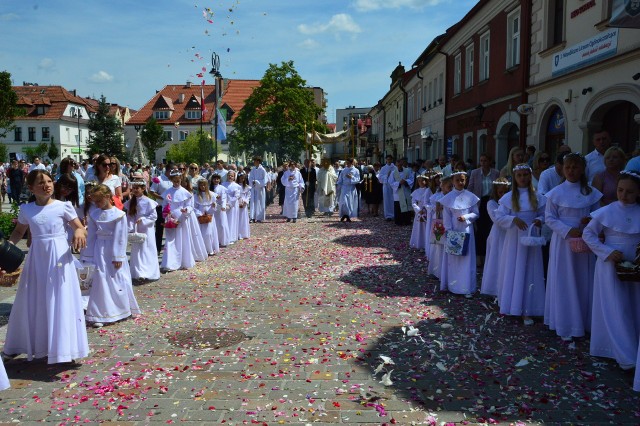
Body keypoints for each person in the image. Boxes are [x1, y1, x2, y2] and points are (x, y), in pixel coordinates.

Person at [2, 170, 89, 363]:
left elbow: (79, 226)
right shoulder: (27, 209)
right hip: (37, 259)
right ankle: (25, 344)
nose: (47, 185)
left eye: (49, 181)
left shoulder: (63, 206)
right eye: (41, 183)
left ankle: (65, 348)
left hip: (59, 257)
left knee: (60, 298)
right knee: (34, 299)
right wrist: (5, 251)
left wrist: (79, 233)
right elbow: (18, 232)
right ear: (31, 188)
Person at [583, 170, 640, 374]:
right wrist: (606, 252)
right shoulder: (607, 211)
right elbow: (588, 234)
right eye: (620, 190)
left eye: (630, 192)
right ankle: (624, 352)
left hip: (635, 265)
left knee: (633, 305)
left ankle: (632, 345)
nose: (624, 195)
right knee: (616, 306)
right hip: (610, 263)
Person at [544, 154, 602, 342]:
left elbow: (597, 215)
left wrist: (589, 222)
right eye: (568, 167)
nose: (571, 171)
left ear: (582, 169)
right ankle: (565, 323)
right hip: (563, 241)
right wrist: (568, 230)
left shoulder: (590, 192)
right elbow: (550, 218)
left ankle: (584, 322)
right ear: (562, 168)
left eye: (575, 167)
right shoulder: (556, 192)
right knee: (564, 279)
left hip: (585, 240)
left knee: (583, 279)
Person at [81, 184, 141, 328]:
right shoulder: (95, 214)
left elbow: (120, 237)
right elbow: (91, 236)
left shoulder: (119, 215)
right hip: (98, 249)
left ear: (108, 197)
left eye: (99, 200)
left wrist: (118, 256)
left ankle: (120, 309)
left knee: (116, 279)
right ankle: (100, 312)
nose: (97, 204)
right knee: (100, 279)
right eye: (95, 201)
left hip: (112, 250)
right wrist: (87, 254)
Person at [494, 164, 546, 326]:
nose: (523, 178)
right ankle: (514, 305)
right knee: (515, 270)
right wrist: (513, 219)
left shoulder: (537, 196)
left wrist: (540, 220)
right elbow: (499, 216)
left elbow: (546, 214)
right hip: (515, 239)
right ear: (515, 178)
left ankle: (530, 307)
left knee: (531, 271)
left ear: (530, 176)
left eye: (525, 175)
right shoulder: (509, 197)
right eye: (519, 175)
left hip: (531, 238)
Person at [439, 171, 479, 297]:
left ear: (466, 180)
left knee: (467, 259)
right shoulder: (448, 198)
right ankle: (453, 285)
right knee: (453, 259)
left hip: (466, 230)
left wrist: (466, 217)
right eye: (457, 180)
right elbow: (446, 217)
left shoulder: (471, 196)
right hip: (453, 232)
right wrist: (449, 231)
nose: (460, 183)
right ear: (453, 181)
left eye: (462, 180)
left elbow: (476, 213)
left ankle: (466, 287)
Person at [160, 169, 206, 272]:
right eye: (174, 181)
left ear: (181, 180)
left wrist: (186, 211)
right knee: (170, 240)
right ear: (171, 180)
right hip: (170, 218)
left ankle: (183, 260)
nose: (176, 183)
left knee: (183, 239)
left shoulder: (185, 192)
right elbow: (164, 205)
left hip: (182, 218)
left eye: (178, 181)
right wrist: (167, 215)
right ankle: (170, 262)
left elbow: (190, 206)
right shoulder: (168, 192)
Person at [124, 175, 160, 283]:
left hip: (146, 229)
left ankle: (148, 272)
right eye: (133, 188)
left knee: (147, 249)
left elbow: (153, 216)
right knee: (137, 251)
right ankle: (139, 272)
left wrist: (143, 220)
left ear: (143, 189)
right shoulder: (131, 202)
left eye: (137, 188)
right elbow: (129, 216)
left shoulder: (149, 201)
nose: (135, 190)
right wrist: (130, 228)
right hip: (136, 229)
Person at [467, 153, 500, 265]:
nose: (483, 163)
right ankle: (478, 256)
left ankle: (488, 256)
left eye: (485, 160)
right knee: (479, 230)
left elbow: (498, 187)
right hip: (479, 203)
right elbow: (470, 188)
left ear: (490, 161)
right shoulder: (475, 173)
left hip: (491, 202)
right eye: (481, 161)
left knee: (489, 229)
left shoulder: (495, 173)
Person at [479, 178, 510, 296]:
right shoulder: (491, 203)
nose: (503, 195)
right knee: (496, 259)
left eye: (505, 192)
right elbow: (497, 218)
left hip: (508, 233)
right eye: (500, 192)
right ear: (495, 192)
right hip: (497, 234)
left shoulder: (511, 202)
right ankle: (493, 288)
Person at [426, 174, 449, 279]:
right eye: (448, 187)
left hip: (449, 224)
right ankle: (437, 270)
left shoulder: (452, 196)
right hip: (439, 222)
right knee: (438, 246)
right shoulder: (438, 196)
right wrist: (437, 208)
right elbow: (430, 206)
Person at [150, 163, 175, 254]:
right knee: (160, 228)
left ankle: (171, 248)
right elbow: (152, 191)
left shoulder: (174, 180)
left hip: (172, 207)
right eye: (172, 171)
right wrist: (163, 197)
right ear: (168, 170)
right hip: (161, 207)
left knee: (172, 227)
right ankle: (157, 248)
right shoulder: (159, 179)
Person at [194, 177, 220, 256]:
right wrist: (200, 213)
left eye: (204, 185)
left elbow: (214, 206)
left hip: (209, 217)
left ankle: (210, 249)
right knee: (201, 234)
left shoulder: (211, 195)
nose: (203, 187)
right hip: (200, 217)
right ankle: (203, 249)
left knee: (209, 233)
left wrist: (212, 207)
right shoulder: (196, 196)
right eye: (201, 185)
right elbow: (194, 207)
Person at [388, 158, 414, 226]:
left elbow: (412, 179)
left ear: (402, 164)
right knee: (398, 207)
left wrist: (406, 182)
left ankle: (407, 221)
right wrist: (399, 183)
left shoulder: (408, 171)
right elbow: (390, 182)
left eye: (400, 165)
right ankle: (399, 221)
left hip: (406, 191)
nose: (399, 166)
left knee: (407, 206)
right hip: (398, 193)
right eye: (398, 165)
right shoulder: (393, 172)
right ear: (396, 165)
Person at [336, 158, 360, 223]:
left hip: (351, 188)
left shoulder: (356, 170)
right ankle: (344, 214)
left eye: (348, 163)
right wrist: (338, 186)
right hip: (344, 187)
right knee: (344, 201)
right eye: (346, 163)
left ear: (352, 163)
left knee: (350, 202)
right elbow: (340, 179)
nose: (347, 164)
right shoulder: (343, 170)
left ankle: (348, 215)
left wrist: (351, 177)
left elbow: (358, 179)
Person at [410, 175, 430, 250]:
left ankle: (426, 244)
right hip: (419, 212)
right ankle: (419, 243)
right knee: (419, 228)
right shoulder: (416, 191)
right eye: (419, 181)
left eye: (422, 180)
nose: (421, 182)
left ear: (426, 181)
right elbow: (413, 202)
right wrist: (418, 210)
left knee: (426, 227)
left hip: (427, 211)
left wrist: (425, 209)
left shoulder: (428, 190)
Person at [210, 174, 230, 247]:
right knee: (215, 225)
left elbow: (224, 198)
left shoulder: (222, 188)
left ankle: (223, 240)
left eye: (217, 179)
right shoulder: (210, 188)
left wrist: (223, 206)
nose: (216, 180)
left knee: (222, 224)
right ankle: (215, 241)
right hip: (213, 208)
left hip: (220, 208)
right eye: (214, 179)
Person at [222, 171, 242, 244]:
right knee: (225, 221)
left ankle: (231, 237)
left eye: (232, 176)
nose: (230, 177)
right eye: (229, 175)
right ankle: (224, 237)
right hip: (224, 205)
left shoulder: (237, 186)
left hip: (233, 206)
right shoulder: (223, 184)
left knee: (232, 221)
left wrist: (230, 204)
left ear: (234, 177)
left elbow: (236, 196)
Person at [377, 155, 397, 221]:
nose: (389, 160)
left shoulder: (395, 168)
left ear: (392, 160)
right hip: (386, 185)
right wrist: (386, 176)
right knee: (387, 200)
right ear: (386, 160)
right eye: (387, 159)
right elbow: (380, 178)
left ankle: (394, 214)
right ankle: (388, 215)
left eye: (390, 159)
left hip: (393, 186)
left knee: (393, 199)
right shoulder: (383, 168)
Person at [248, 156, 268, 223]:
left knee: (259, 203)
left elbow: (265, 180)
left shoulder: (262, 170)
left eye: (255, 161)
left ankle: (259, 217)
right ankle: (252, 217)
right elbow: (250, 177)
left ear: (258, 161)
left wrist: (257, 182)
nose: (254, 162)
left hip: (260, 189)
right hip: (254, 188)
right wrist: (252, 182)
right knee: (253, 203)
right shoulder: (253, 169)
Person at [236, 172, 251, 240]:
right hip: (237, 203)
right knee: (237, 218)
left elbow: (248, 195)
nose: (241, 179)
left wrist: (245, 202)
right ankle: (238, 234)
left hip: (244, 203)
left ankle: (244, 233)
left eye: (243, 178)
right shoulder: (236, 186)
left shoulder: (247, 187)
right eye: (240, 178)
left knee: (243, 219)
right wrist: (239, 202)